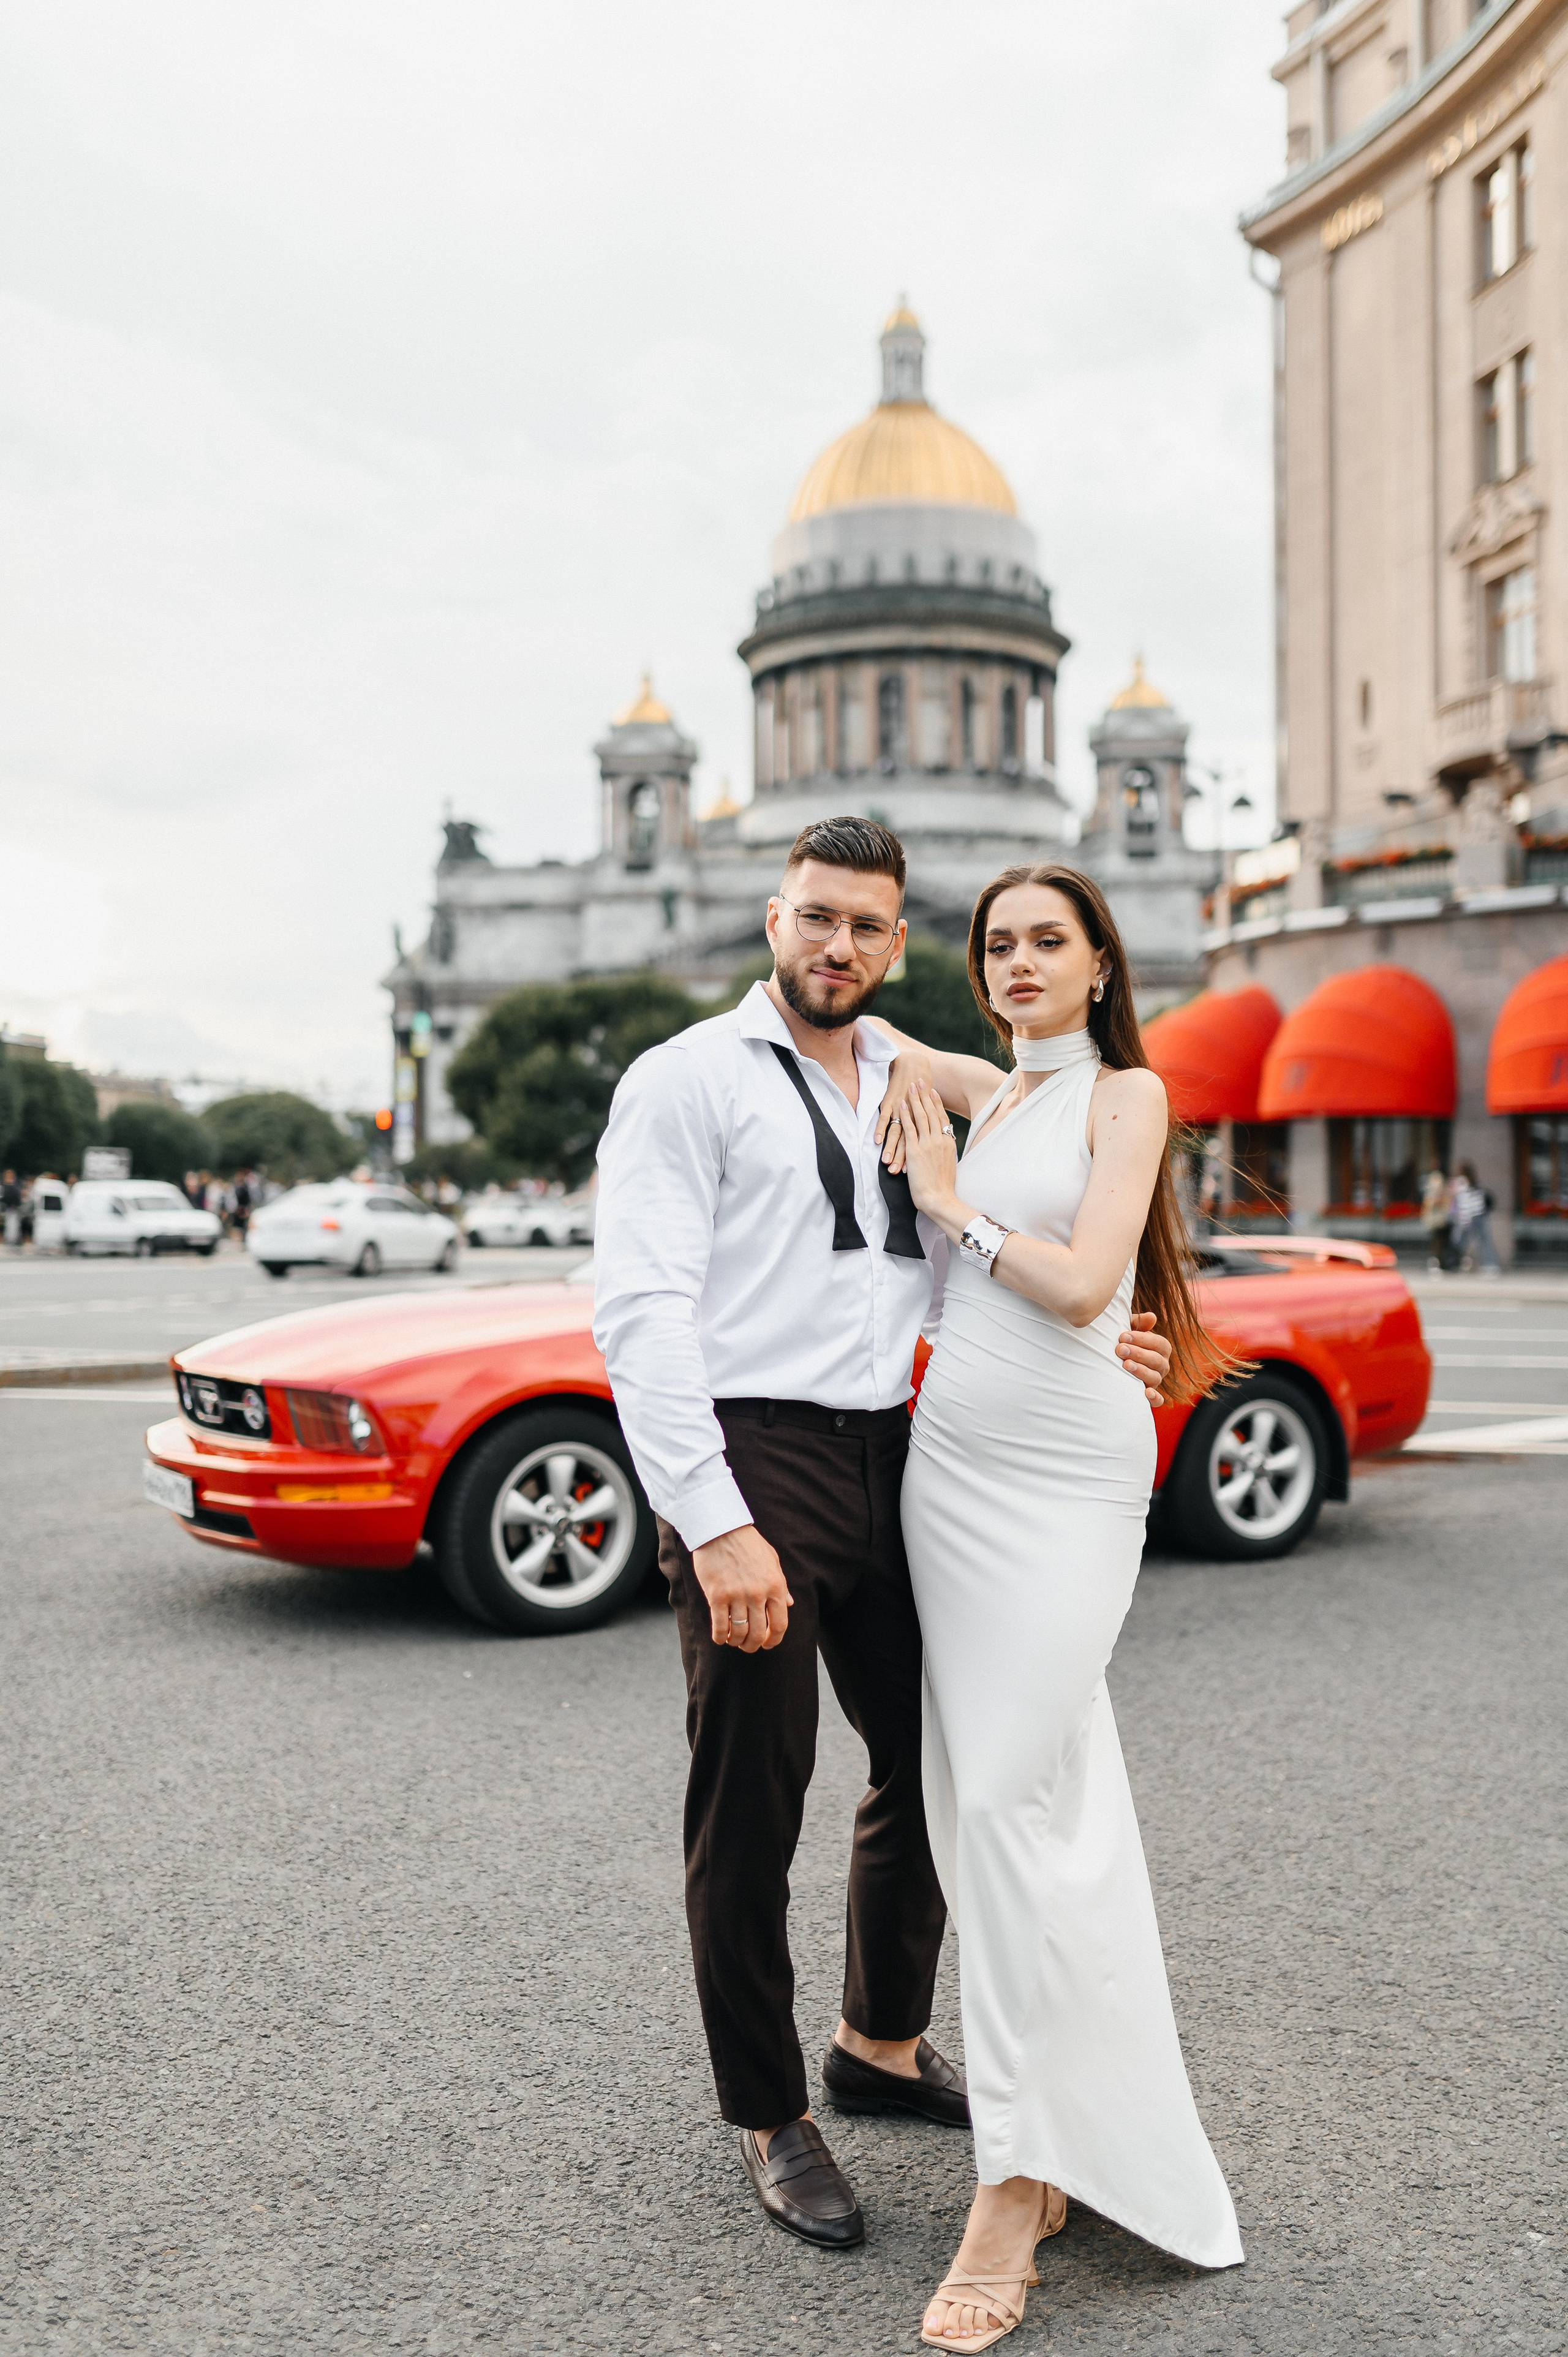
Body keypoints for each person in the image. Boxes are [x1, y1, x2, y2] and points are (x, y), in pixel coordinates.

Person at [592, 819, 1174, 2251]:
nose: (835, 945)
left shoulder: (921, 1073)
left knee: (938, 1755)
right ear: (771, 920)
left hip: (901, 1455)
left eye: (865, 924)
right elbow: (641, 1314)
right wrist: (712, 1519)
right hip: (757, 1455)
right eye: (814, 919)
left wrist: (1116, 1336)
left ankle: (878, 2039)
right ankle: (767, 2107)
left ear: (899, 940)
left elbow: (1061, 1162)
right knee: (755, 1786)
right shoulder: (684, 1081)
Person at [877, 863, 1245, 2346]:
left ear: (1099, 963)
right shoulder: (987, 1086)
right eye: (997, 944)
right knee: (1021, 1808)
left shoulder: (1121, 1097)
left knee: (1003, 1809)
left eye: (1049, 939)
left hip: (1066, 1475)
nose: (1020, 959)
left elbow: (1091, 1269)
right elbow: (836, 1032)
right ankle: (1073, 2128)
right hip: (949, 1472)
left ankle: (1015, 2180)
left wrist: (949, 1207)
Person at [1450, 1160, 1501, 1275]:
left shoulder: (1460, 1182)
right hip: (1479, 1216)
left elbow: (1461, 1201)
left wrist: (1462, 1219)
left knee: (1461, 1242)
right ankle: (1490, 1265)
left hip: (1467, 1217)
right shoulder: (1476, 1183)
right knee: (1484, 1241)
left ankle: (1456, 1263)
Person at [1421, 1165, 1452, 1273]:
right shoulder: (1431, 1192)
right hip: (1434, 1220)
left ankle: (1441, 1263)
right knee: (1436, 1242)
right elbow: (1427, 1206)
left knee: (1440, 1242)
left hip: (1440, 1220)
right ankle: (1438, 1262)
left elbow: (1444, 1204)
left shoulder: (1443, 1192)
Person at [2, 1169, 22, 1250]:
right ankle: (9, 1240)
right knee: (9, 1225)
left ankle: (14, 1240)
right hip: (8, 1208)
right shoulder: (5, 1185)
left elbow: (17, 1196)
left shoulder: (15, 1185)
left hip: (14, 1208)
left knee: (14, 1225)